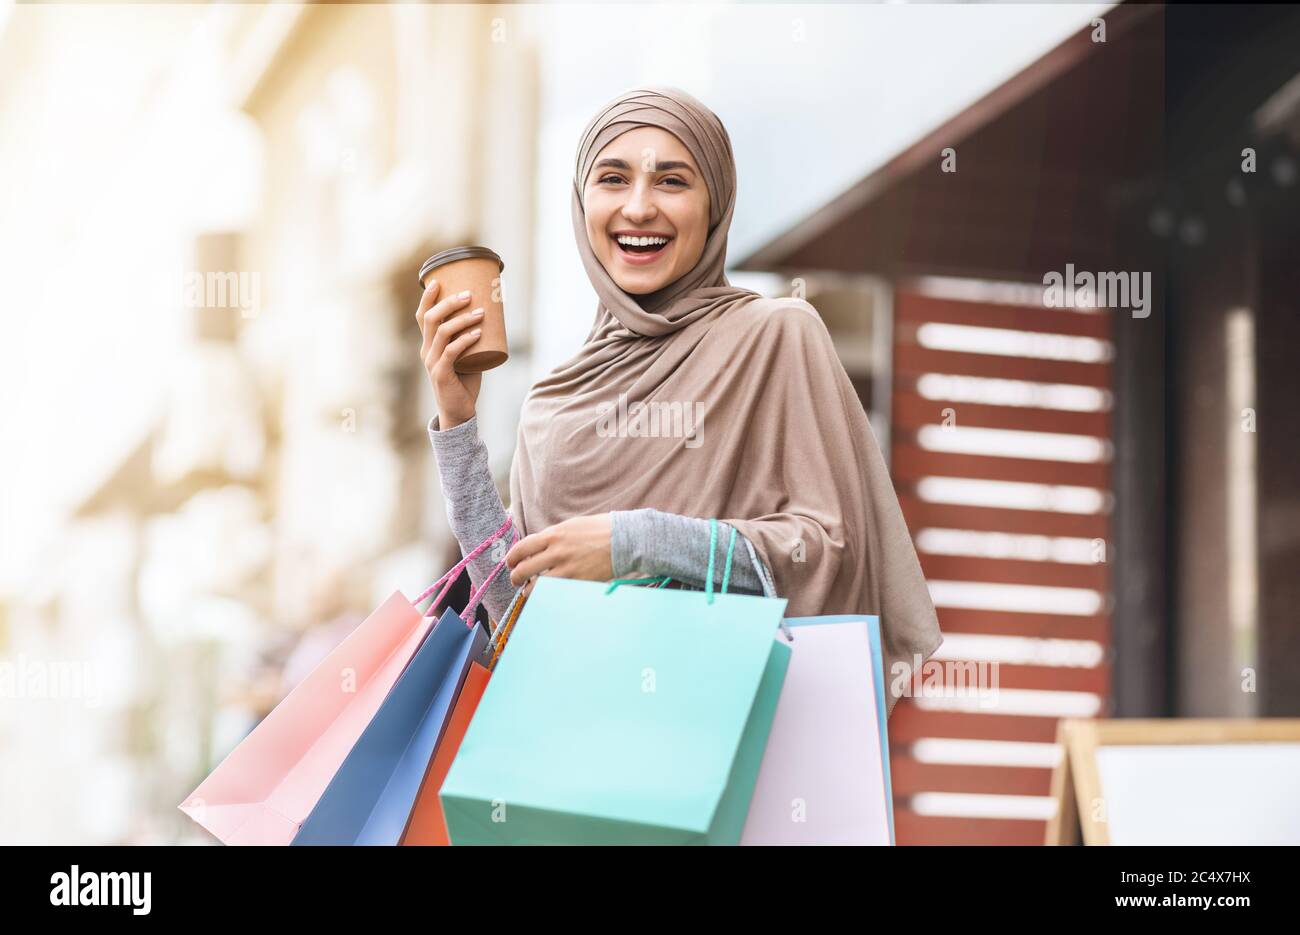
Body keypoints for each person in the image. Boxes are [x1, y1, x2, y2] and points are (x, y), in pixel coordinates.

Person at [416, 86, 941, 711]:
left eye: (672, 181)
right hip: (582, 748)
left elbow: (827, 552)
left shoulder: (776, 336)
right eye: (612, 179)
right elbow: (513, 618)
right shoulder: (553, 404)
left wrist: (637, 542)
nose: (638, 208)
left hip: (737, 751)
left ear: (714, 205)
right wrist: (457, 422)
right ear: (582, 204)